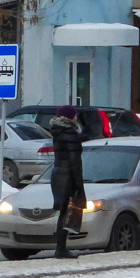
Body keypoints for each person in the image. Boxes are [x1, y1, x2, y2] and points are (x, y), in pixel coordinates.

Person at [50, 105, 86, 260]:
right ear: (69, 117)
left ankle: (61, 248)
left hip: (58, 175)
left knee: (64, 211)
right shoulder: (70, 133)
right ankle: (61, 249)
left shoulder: (58, 132)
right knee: (67, 212)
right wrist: (79, 185)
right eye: (75, 115)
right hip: (67, 176)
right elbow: (74, 162)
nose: (77, 117)